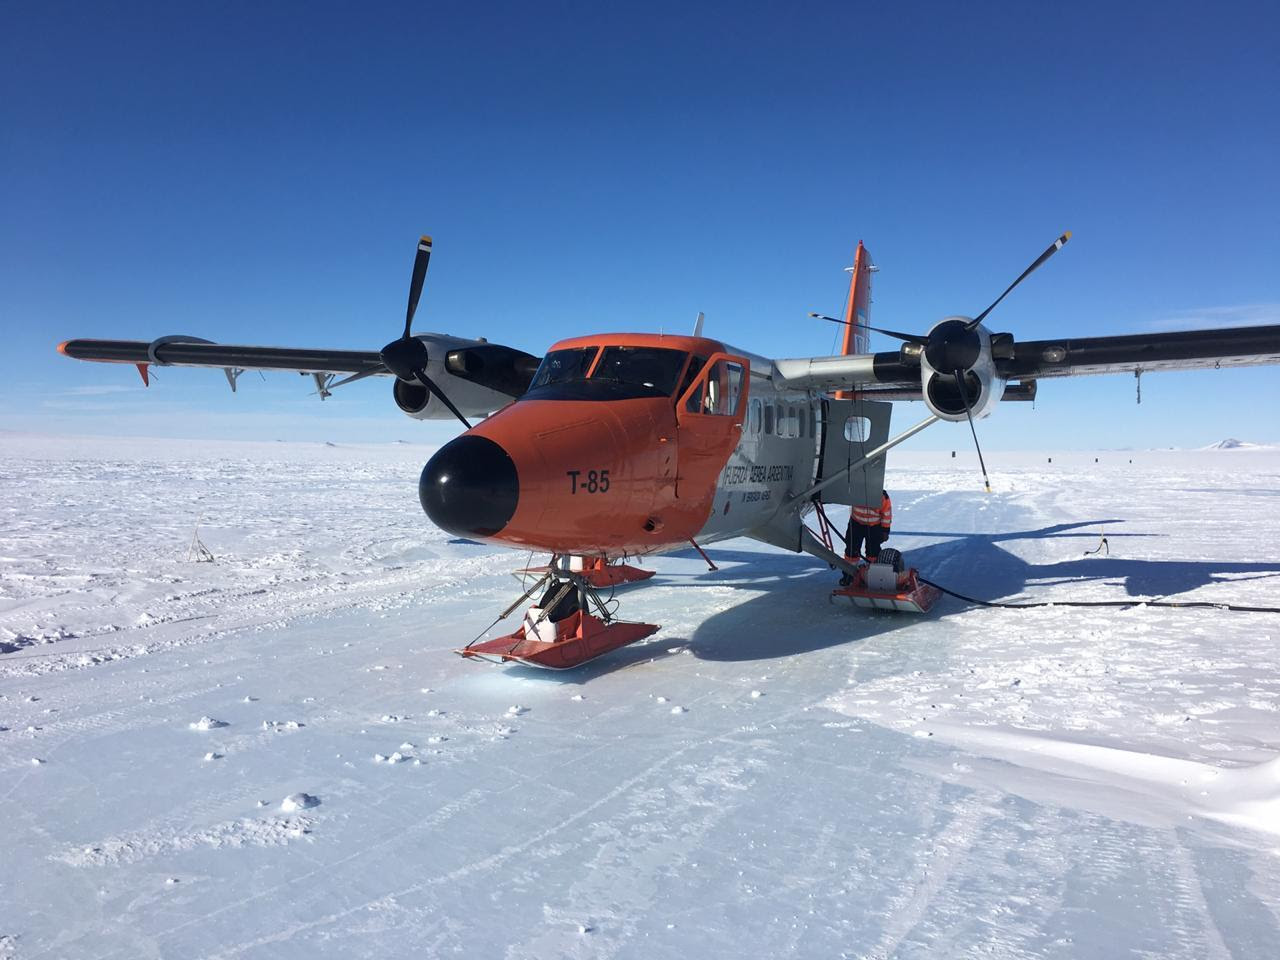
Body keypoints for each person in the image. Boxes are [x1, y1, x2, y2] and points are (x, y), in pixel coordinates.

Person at [839, 490, 892, 586]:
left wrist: (885, 530)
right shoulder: (855, 489)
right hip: (856, 523)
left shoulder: (882, 496)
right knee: (851, 550)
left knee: (873, 552)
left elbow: (886, 514)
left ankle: (872, 576)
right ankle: (848, 574)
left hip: (874, 526)